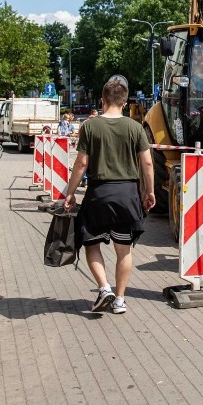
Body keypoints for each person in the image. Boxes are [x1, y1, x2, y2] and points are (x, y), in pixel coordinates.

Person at [64, 75, 155, 314]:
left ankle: (104, 288)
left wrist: (70, 193)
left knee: (91, 242)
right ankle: (120, 299)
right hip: (127, 195)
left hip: (99, 194)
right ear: (124, 103)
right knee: (123, 249)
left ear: (103, 100)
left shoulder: (90, 126)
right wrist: (150, 191)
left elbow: (81, 164)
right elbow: (147, 164)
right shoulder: (135, 127)